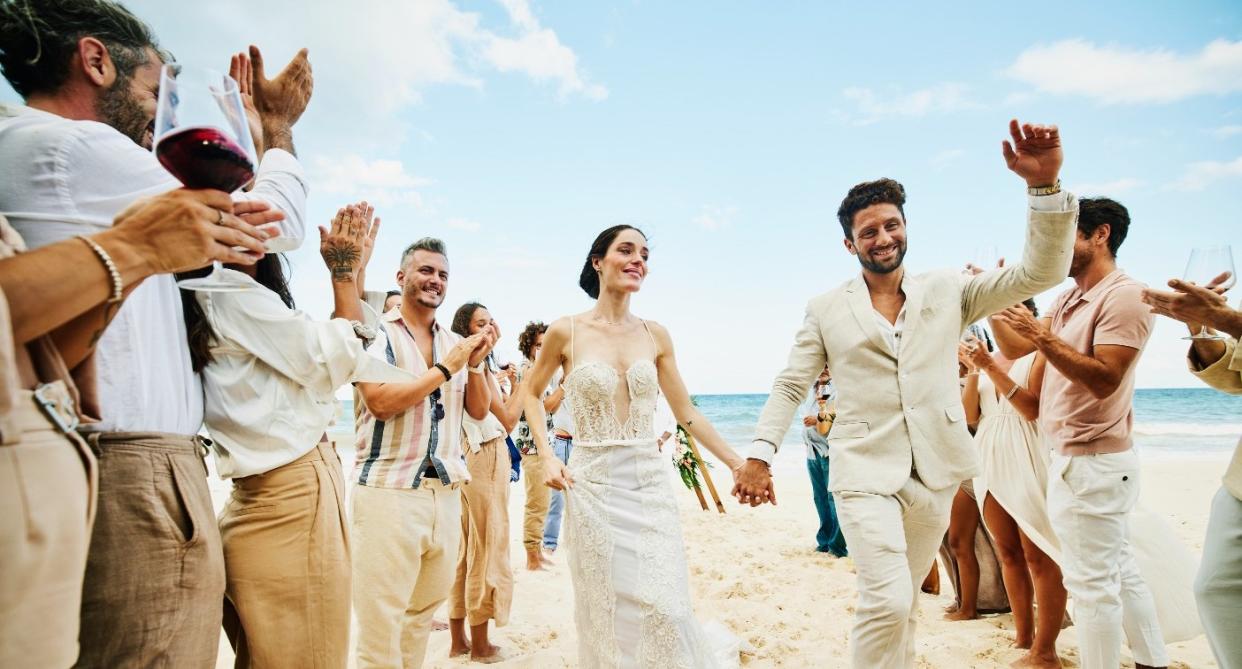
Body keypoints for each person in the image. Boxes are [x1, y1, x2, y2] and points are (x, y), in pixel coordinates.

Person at [0, 3, 313, 663]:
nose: (157, 120)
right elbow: (271, 222)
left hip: (113, 463)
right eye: (152, 94)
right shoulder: (76, 145)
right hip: (134, 471)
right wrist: (276, 134)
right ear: (96, 62)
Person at [736, 119, 1077, 669]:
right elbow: (792, 383)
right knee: (888, 599)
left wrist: (1044, 188)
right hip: (864, 473)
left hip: (937, 472)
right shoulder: (826, 308)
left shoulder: (949, 290)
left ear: (906, 226)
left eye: (891, 225)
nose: (883, 238)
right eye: (868, 232)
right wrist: (759, 454)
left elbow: (1041, 272)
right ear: (850, 243)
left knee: (907, 606)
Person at [0, 190, 272, 669]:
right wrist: (131, 248)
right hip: (106, 476)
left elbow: (54, 363)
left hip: (84, 479)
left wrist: (130, 267)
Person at [186, 204, 409, 668]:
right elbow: (335, 358)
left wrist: (354, 272)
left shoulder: (211, 298)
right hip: (292, 502)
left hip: (260, 500)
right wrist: (345, 276)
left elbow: (330, 354)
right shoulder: (229, 293)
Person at [519, 225, 745, 667]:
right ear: (598, 261)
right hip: (591, 484)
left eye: (644, 253)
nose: (638, 259)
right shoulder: (566, 331)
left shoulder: (655, 334)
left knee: (668, 605)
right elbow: (531, 393)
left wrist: (737, 462)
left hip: (647, 484)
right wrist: (546, 455)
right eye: (626, 250)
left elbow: (687, 413)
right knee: (607, 605)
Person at [990, 196, 1170, 669]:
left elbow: (1105, 377)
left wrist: (1042, 336)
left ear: (1100, 234)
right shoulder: (1068, 296)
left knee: (1092, 587)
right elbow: (1017, 346)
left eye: (1063, 237)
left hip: (1094, 462)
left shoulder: (1125, 294)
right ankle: (1152, 661)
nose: (1053, 250)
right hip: (1070, 459)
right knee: (1120, 572)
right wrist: (992, 300)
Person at [351, 237, 497, 668]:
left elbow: (479, 409)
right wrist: (446, 368)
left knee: (418, 619)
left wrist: (473, 365)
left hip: (445, 494)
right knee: (380, 625)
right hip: (388, 491)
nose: (435, 281)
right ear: (401, 277)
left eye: (443, 275)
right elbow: (379, 401)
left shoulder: (455, 340)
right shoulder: (376, 332)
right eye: (426, 271)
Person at [1142, 277, 1242, 669]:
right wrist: (1201, 326)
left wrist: (1228, 319)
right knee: (1216, 589)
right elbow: (1232, 377)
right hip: (1239, 484)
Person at [962, 301, 1067, 668]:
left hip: (1025, 449)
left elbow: (1030, 408)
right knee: (1007, 552)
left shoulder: (1039, 352)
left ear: (1030, 315)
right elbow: (970, 416)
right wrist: (976, 369)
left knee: (1039, 552)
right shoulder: (988, 356)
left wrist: (991, 367)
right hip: (987, 452)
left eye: (1014, 306)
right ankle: (1023, 635)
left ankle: (1046, 646)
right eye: (999, 306)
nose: (1003, 314)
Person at [447, 302, 523, 663]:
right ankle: (480, 644)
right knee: (487, 546)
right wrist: (528, 381)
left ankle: (458, 640)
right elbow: (504, 419)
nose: (490, 328)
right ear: (466, 331)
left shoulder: (464, 362)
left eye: (491, 320)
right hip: (485, 456)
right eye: (481, 323)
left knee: (467, 547)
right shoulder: (470, 366)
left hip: (468, 455)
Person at [514, 320, 564, 571]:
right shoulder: (530, 370)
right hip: (531, 445)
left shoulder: (538, 370)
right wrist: (564, 387)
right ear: (529, 347)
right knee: (537, 501)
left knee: (543, 501)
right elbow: (545, 408)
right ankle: (532, 557)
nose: (543, 351)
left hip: (539, 444)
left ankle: (536, 554)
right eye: (539, 346)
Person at [802, 365, 848, 556]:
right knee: (819, 498)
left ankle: (837, 547)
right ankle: (824, 542)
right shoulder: (810, 391)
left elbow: (845, 415)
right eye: (820, 365)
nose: (824, 369)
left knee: (833, 499)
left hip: (830, 452)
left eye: (827, 366)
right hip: (812, 452)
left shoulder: (838, 389)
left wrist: (819, 418)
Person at [542, 374, 576, 557]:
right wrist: (562, 387)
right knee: (556, 498)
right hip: (561, 441)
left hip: (583, 444)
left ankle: (579, 542)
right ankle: (549, 542)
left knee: (583, 495)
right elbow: (547, 408)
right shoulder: (556, 374)